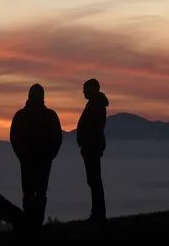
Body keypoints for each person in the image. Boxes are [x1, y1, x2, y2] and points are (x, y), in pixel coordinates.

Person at [9, 83, 63, 230]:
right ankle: (37, 223)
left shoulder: (21, 115)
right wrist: (52, 154)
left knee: (29, 192)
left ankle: (30, 223)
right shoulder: (50, 115)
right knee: (39, 192)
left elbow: (14, 137)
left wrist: (21, 155)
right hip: (42, 160)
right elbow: (58, 137)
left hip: (29, 160)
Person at [76, 78, 109, 223]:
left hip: (92, 147)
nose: (83, 91)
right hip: (91, 146)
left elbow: (93, 127)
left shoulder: (96, 105)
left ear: (93, 89)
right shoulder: (95, 104)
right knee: (94, 180)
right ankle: (97, 212)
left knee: (94, 180)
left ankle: (98, 213)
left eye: (85, 89)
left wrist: (86, 143)